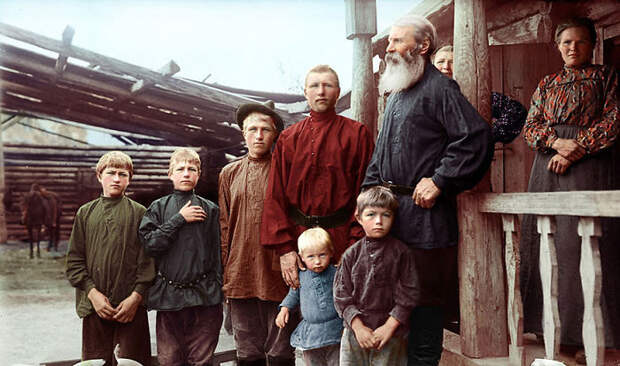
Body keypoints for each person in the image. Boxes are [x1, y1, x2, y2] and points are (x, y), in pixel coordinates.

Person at [363, 14, 493, 365]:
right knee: (394, 311)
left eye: (396, 41)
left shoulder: (440, 88)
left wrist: (439, 180)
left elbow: (474, 138)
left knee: (423, 315)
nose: (388, 48)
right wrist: (367, 197)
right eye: (389, 41)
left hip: (427, 225)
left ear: (422, 46)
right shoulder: (398, 92)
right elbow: (381, 153)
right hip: (393, 221)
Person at [520, 16, 619, 352]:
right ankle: (550, 330)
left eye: (580, 42)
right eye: (566, 42)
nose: (572, 48)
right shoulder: (547, 83)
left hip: (589, 167)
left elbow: (614, 120)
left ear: (592, 44)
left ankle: (586, 336)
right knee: (549, 241)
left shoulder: (607, 77)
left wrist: (577, 150)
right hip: (548, 167)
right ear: (557, 46)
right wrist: (556, 143)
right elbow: (530, 127)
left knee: (581, 243)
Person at [261, 64, 375, 291]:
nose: (321, 91)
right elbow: (276, 196)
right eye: (314, 86)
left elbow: (367, 194)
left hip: (342, 239)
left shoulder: (357, 134)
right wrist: (285, 250)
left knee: (346, 307)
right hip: (299, 240)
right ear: (306, 92)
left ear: (338, 91)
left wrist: (354, 246)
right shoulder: (288, 138)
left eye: (327, 85)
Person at [219, 101, 299, 366]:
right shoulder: (229, 174)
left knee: (279, 351)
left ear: (275, 133)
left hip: (277, 272)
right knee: (247, 351)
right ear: (243, 133)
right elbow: (224, 226)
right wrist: (225, 271)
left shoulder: (287, 170)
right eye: (252, 129)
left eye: (265, 129)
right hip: (240, 273)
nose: (259, 135)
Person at [65, 151, 155, 365]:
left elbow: (148, 262)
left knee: (133, 362)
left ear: (129, 179)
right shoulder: (85, 214)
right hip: (96, 307)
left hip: (131, 308)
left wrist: (136, 298)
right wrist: (93, 294)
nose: (116, 179)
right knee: (96, 362)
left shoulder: (140, 213)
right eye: (111, 173)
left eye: (123, 174)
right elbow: (74, 262)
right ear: (99, 176)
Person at [139, 148, 223, 366]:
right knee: (169, 360)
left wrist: (220, 286)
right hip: (170, 296)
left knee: (202, 360)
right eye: (181, 169)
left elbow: (220, 252)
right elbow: (150, 245)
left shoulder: (211, 209)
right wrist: (179, 219)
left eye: (192, 169)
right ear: (170, 174)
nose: (186, 173)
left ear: (199, 174)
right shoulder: (158, 208)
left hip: (205, 297)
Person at [333, 186, 419, 366]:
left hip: (391, 333)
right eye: (371, 214)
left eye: (386, 215)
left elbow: (409, 294)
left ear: (393, 218)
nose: (378, 221)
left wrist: (389, 327)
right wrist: (358, 327)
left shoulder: (401, 253)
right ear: (359, 218)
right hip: (355, 334)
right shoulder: (351, 255)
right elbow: (341, 295)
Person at [431, 45, 528, 144]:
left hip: (466, 156)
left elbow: (517, 111)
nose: (446, 67)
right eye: (441, 61)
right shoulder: (423, 94)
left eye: (452, 62)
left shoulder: (474, 94)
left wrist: (486, 135)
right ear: (432, 66)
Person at [275, 227, 343, 366]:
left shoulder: (336, 273)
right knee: (312, 361)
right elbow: (293, 295)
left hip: (334, 329)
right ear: (301, 257)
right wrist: (284, 309)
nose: (317, 261)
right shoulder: (301, 275)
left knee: (337, 361)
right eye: (311, 257)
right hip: (311, 331)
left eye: (322, 255)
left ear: (331, 253)